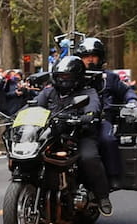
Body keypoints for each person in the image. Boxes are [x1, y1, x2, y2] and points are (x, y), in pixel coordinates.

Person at [35, 56, 112, 215]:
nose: (62, 80)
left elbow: (93, 107)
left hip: (80, 134)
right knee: (34, 154)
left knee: (89, 157)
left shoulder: (88, 92)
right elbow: (33, 105)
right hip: (52, 134)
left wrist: (88, 116)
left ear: (77, 78)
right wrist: (16, 116)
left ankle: (102, 196)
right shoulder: (49, 92)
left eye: (66, 77)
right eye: (59, 76)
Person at [75, 37, 137, 185]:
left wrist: (132, 101)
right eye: (86, 56)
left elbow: (126, 91)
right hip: (75, 120)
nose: (89, 60)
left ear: (100, 57)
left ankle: (113, 176)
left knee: (107, 139)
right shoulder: (74, 77)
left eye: (93, 56)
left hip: (102, 119)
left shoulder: (109, 78)